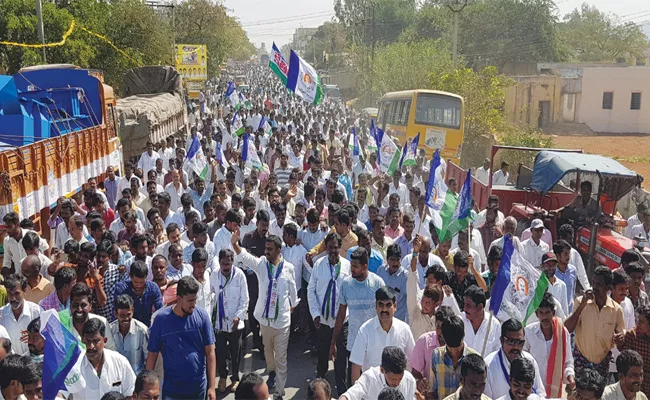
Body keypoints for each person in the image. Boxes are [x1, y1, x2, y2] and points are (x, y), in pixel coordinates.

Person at [232, 231, 298, 399]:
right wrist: (235, 245)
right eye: (265, 248)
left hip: (282, 322)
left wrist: (292, 305)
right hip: (265, 321)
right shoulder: (262, 265)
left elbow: (292, 290)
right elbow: (247, 258)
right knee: (269, 354)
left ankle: (279, 393)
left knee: (281, 358)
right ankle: (272, 372)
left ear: (278, 250)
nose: (266, 251)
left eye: (269, 249)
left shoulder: (289, 268)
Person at [146, 276, 217, 400]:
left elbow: (210, 352)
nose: (193, 305)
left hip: (198, 388)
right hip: (172, 390)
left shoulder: (202, 316)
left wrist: (211, 387)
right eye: (190, 301)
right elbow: (152, 354)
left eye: (195, 300)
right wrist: (147, 386)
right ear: (179, 299)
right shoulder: (161, 320)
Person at [331, 247, 385, 381]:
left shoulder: (377, 283)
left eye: (355, 266)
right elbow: (341, 315)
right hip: (354, 344)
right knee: (355, 384)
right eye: (351, 265)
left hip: (374, 344)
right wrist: (333, 342)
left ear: (365, 266)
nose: (352, 269)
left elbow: (385, 315)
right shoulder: (346, 284)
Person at [307, 232, 351, 396]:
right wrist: (315, 314)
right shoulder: (319, 265)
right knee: (322, 355)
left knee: (341, 360)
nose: (333, 251)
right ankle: (319, 389)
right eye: (330, 247)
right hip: (323, 321)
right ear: (326, 248)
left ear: (340, 248)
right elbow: (311, 290)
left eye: (336, 247)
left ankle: (341, 392)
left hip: (342, 321)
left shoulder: (347, 266)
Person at [566, 266, 625, 378]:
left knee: (597, 395)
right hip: (581, 361)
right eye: (594, 282)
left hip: (602, 364)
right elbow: (567, 329)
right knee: (579, 394)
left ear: (609, 288)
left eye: (599, 284)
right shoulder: (580, 302)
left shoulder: (616, 310)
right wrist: (582, 306)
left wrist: (620, 339)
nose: (594, 287)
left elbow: (621, 344)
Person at [350, 286, 414, 380]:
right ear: (376, 306)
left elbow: (413, 361)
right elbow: (356, 366)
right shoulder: (365, 330)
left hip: (398, 388)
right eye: (381, 305)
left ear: (395, 306)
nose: (384, 309)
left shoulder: (404, 329)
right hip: (372, 390)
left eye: (388, 305)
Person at [210, 249, 249, 393]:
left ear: (233, 261)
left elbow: (245, 300)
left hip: (235, 323)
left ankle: (235, 378)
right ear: (219, 262)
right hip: (219, 323)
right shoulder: (213, 275)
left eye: (228, 263)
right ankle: (222, 377)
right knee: (220, 352)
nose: (226, 267)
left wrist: (238, 316)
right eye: (223, 263)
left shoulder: (239, 276)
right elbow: (210, 296)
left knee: (235, 352)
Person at [523, 292, 575, 398]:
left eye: (547, 313)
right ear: (537, 314)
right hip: (533, 390)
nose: (544, 317)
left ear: (553, 313)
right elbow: (523, 361)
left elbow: (568, 363)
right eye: (541, 313)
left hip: (554, 392)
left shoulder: (562, 332)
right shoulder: (528, 332)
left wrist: (571, 378)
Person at [484, 318, 546, 398]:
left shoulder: (529, 361)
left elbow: (540, 393)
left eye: (520, 342)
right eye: (511, 342)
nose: (516, 347)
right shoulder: (489, 366)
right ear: (502, 340)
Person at [77, 318, 136, 400]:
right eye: (87, 341)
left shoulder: (120, 362)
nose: (91, 346)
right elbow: (61, 393)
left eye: (95, 341)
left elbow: (130, 394)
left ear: (104, 341)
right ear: (82, 341)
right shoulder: (74, 365)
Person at [429, 314, 477, 399]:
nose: (454, 352)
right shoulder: (436, 356)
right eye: (451, 349)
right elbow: (432, 391)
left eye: (457, 349)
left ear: (463, 336)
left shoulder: (474, 359)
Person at [340, 346, 417, 400]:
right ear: (382, 370)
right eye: (393, 379)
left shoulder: (409, 380)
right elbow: (349, 396)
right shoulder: (369, 378)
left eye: (400, 378)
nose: (397, 383)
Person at [0, 274, 42, 356]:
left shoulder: (36, 312)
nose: (13, 298)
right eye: (10, 294)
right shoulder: (1, 315)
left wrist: (34, 338)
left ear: (25, 290)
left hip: (33, 363)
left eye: (16, 294)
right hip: (10, 365)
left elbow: (46, 339)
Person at [113, 261, 163, 327]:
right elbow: (116, 313)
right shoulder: (121, 288)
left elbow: (160, 311)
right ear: (130, 276)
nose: (139, 285)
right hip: (126, 327)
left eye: (142, 282)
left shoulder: (153, 288)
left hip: (147, 327)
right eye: (136, 282)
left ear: (146, 277)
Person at [615, 304, 650, 397]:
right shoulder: (632, 336)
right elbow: (624, 356)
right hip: (635, 386)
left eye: (642, 321)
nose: (637, 324)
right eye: (637, 320)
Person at [110, 294, 149, 375]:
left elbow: (148, 359)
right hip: (116, 378)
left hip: (136, 379)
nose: (126, 319)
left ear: (133, 311)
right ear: (115, 314)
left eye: (128, 315)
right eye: (122, 316)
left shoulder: (142, 331)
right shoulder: (110, 331)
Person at [462, 285, 501, 357]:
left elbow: (497, 353)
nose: (465, 308)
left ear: (479, 307)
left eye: (468, 305)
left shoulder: (494, 325)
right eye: (464, 304)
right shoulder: (460, 321)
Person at [376, 245, 409, 322]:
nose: (395, 263)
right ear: (387, 259)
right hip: (381, 318)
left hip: (398, 320)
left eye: (398, 260)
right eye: (392, 260)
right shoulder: (381, 271)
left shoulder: (405, 277)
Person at [540, 252, 570, 316]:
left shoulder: (562, 285)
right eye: (548, 264)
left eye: (553, 264)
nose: (551, 267)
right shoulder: (537, 284)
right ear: (542, 266)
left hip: (556, 324)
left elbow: (564, 310)